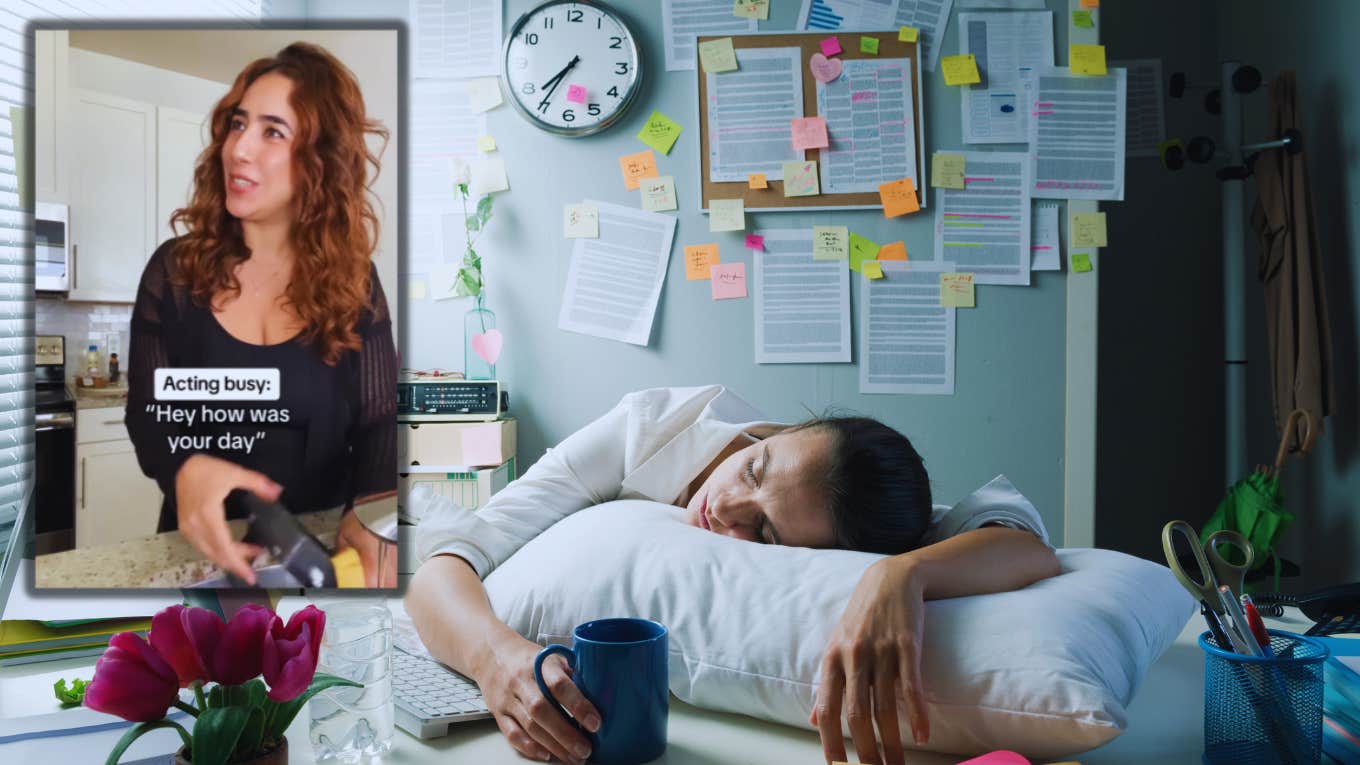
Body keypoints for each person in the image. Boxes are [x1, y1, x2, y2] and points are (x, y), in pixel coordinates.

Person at [407, 385, 1061, 765]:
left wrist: (902, 578)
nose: (723, 508)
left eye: (766, 533)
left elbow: (1021, 540)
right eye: (754, 470)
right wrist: (498, 659)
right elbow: (445, 564)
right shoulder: (653, 428)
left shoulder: (867, 515)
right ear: (783, 430)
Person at [124, 43, 397, 587]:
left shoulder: (355, 285)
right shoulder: (174, 274)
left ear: (320, 159)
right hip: (204, 560)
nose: (239, 149)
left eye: (273, 131)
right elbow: (150, 412)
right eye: (238, 125)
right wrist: (185, 468)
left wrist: (372, 512)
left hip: (320, 558)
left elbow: (380, 422)